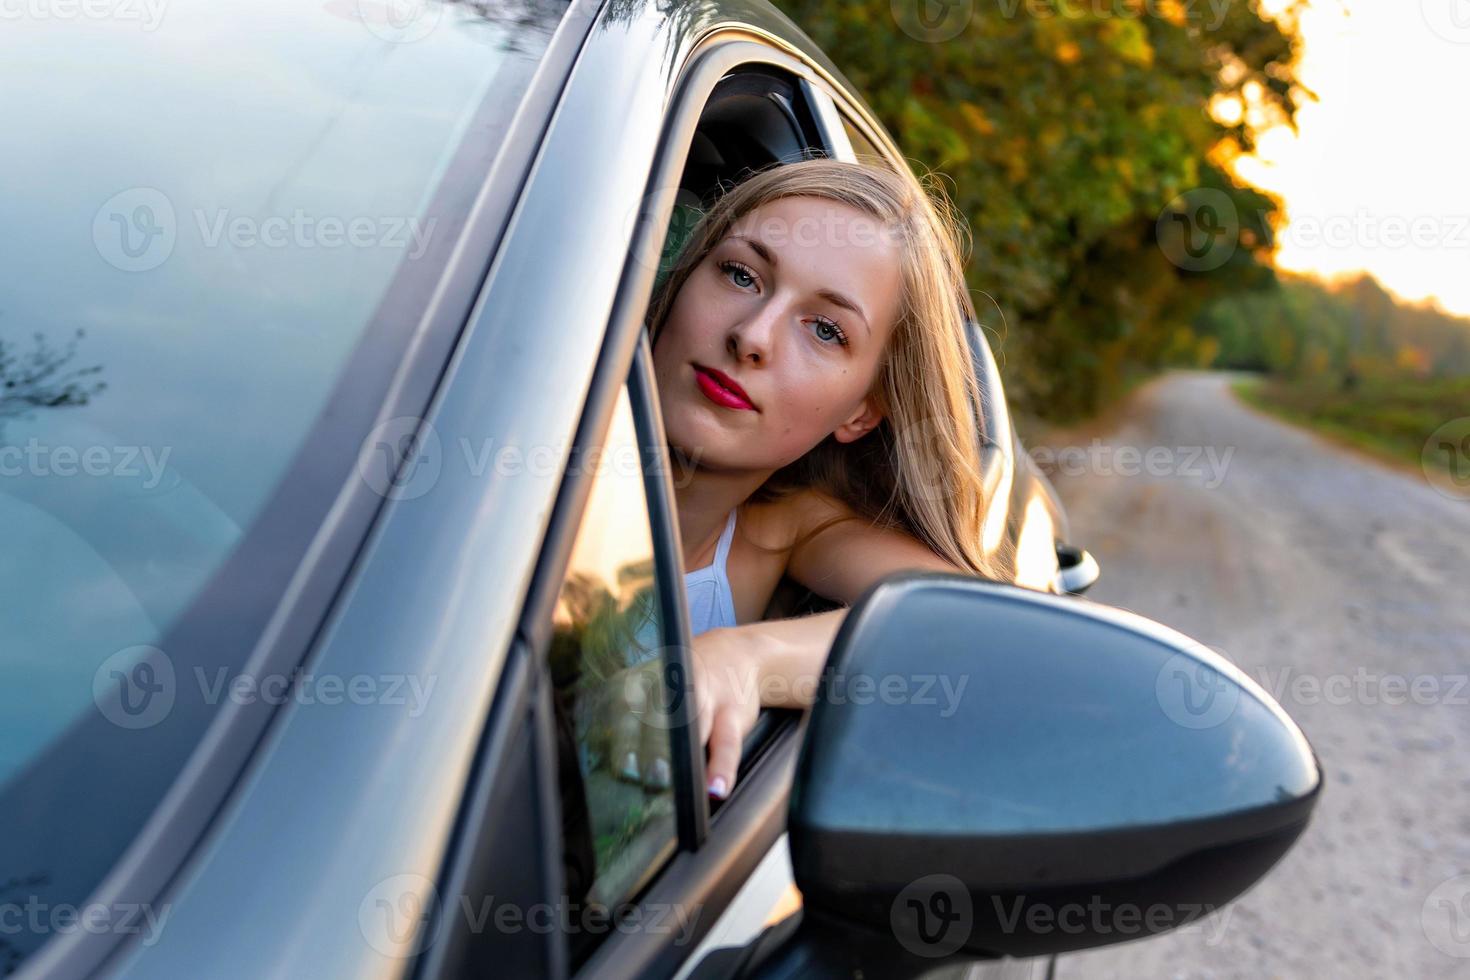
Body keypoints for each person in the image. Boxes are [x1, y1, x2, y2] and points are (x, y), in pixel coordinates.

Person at [643, 157, 1001, 800]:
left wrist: (747, 658)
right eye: (740, 274)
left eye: (827, 330)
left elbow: (974, 633)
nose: (751, 336)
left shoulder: (780, 530)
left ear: (863, 411)